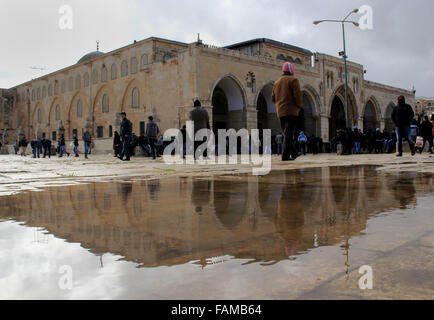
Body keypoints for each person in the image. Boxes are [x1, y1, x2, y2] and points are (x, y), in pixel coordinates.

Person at [271, 62, 302, 161]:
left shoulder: (277, 82)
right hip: (291, 110)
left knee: (286, 133)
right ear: (291, 69)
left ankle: (294, 153)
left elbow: (273, 98)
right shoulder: (293, 80)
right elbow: (297, 96)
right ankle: (285, 156)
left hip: (281, 111)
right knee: (289, 133)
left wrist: (279, 103)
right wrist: (299, 105)